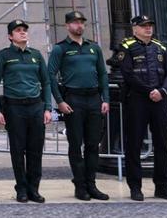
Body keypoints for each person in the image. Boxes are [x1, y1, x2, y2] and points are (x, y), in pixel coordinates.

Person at [47, 10, 110, 201]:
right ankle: (80, 184)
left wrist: (105, 98)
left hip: (93, 99)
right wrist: (60, 101)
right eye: (75, 23)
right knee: (75, 144)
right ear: (67, 26)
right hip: (73, 99)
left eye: (82, 22)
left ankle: (91, 184)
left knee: (93, 144)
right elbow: (50, 75)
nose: (79, 26)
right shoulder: (61, 49)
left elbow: (102, 74)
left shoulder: (94, 48)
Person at [115, 14, 167, 202]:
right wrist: (149, 90)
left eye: (150, 25)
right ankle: (135, 187)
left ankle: (163, 186)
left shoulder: (161, 47)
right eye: (143, 26)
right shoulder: (126, 47)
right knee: (134, 144)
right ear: (134, 29)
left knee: (162, 143)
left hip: (159, 100)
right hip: (137, 100)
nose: (148, 28)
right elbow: (127, 74)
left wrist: (162, 91)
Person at [0, 19, 53, 203]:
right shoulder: (4, 56)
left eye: (24, 30)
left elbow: (46, 82)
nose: (23, 33)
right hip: (14, 107)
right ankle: (21, 188)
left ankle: (34, 188)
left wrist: (47, 107)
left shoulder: (36, 55)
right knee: (18, 151)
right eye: (18, 30)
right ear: (10, 36)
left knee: (35, 150)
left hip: (35, 106)